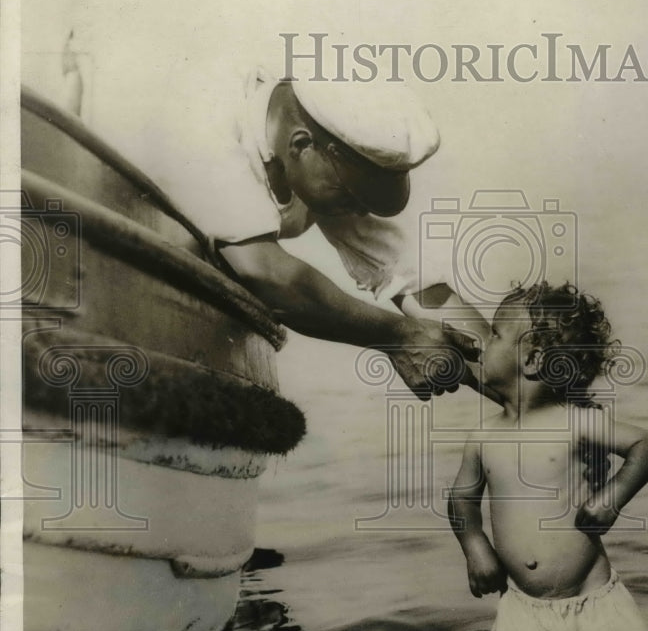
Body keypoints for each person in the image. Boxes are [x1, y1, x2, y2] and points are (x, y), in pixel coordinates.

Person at [149, 65, 487, 401]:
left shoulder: (326, 153)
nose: (359, 213)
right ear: (301, 144)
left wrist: (518, 381)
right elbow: (263, 272)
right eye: (351, 197)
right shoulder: (203, 118)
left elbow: (420, 286)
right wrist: (399, 335)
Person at [447, 282, 648, 631]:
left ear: (532, 360)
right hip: (522, 607)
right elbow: (461, 498)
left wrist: (611, 500)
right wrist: (475, 548)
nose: (483, 343)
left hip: (594, 600)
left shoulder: (575, 423)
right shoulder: (482, 435)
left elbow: (646, 445)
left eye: (495, 334)